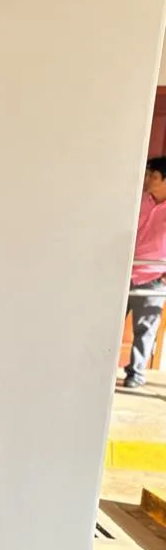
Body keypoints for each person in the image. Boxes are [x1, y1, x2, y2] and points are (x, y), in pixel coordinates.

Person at [124, 156, 166, 388]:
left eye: (153, 176)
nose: (147, 179)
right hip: (124, 274)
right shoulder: (138, 200)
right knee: (107, 323)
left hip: (152, 277)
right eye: (147, 174)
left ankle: (136, 373)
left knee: (145, 329)